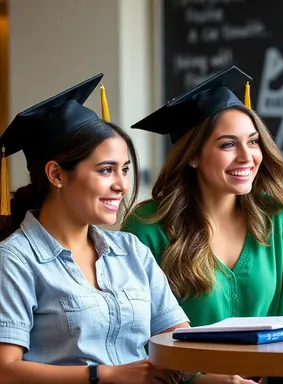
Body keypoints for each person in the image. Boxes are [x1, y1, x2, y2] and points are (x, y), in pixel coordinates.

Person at [120, 66, 283, 384]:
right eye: (227, 145)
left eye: (253, 142)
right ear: (192, 156)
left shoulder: (277, 218)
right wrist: (200, 379)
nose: (247, 156)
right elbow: (131, 337)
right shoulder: (147, 229)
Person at [0, 73, 193, 384]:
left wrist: (205, 377)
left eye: (125, 170)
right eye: (106, 170)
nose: (121, 185)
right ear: (56, 174)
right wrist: (106, 375)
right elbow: (5, 370)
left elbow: (178, 341)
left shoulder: (131, 251)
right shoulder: (15, 260)